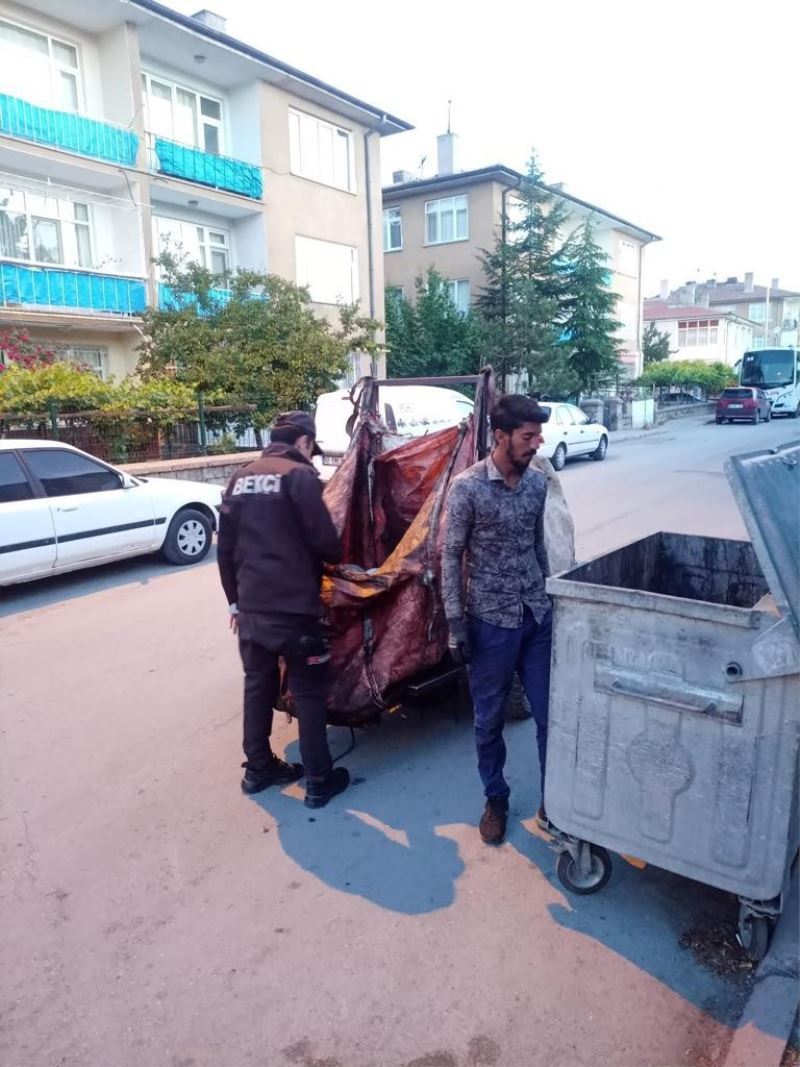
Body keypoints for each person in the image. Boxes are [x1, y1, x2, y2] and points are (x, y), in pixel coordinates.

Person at [217, 410, 350, 809]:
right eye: (312, 449)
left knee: (257, 686)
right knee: (308, 691)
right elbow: (328, 546)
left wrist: (235, 602)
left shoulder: (241, 477)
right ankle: (319, 780)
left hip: (251, 609)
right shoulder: (299, 476)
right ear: (304, 442)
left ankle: (258, 769)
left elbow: (224, 550)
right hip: (294, 612)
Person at [441, 394, 553, 845]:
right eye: (528, 437)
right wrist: (455, 623)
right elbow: (450, 555)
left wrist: (551, 597)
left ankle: (556, 801)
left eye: (538, 436)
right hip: (489, 622)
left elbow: (538, 545)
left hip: (536, 617)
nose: (537, 444)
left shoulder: (538, 484)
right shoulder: (468, 488)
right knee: (488, 721)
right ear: (501, 436)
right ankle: (496, 797)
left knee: (551, 716)